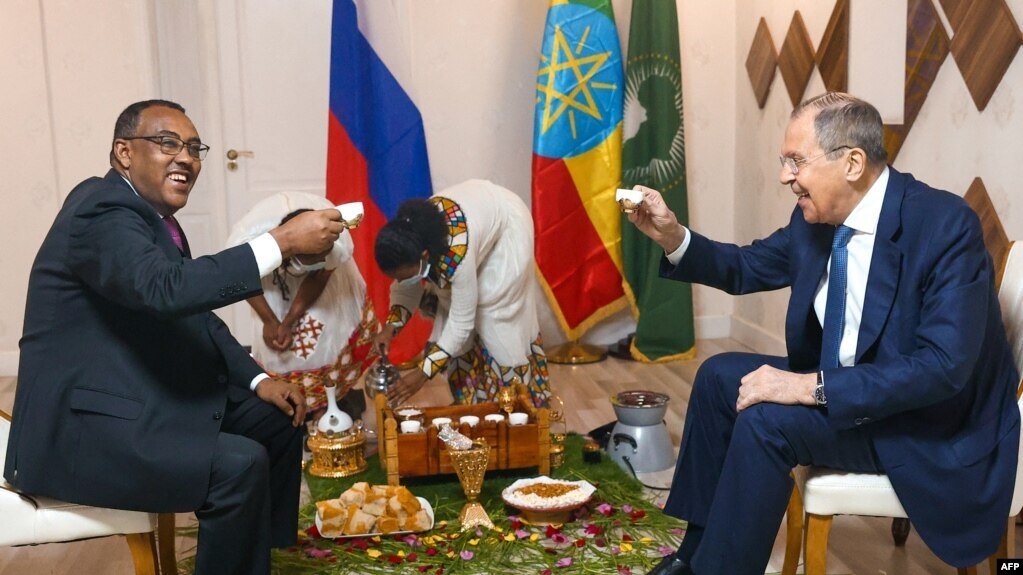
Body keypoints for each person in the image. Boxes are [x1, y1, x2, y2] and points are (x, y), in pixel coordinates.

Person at [631, 93, 1020, 575]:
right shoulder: (814, 221)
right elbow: (745, 266)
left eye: (796, 161)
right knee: (716, 378)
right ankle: (693, 559)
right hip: (854, 392)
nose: (784, 176)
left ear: (852, 163)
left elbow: (942, 369)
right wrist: (672, 235)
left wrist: (807, 387)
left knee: (767, 420)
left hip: (924, 421)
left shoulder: (945, 226)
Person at [4, 100, 345, 575]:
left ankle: (259, 558)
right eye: (167, 143)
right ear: (124, 152)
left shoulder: (152, 219)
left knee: (277, 420)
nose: (185, 157)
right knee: (240, 464)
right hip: (83, 432)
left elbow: (192, 313)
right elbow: (165, 290)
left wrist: (259, 381)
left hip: (132, 397)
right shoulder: (99, 209)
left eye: (193, 148)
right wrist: (282, 242)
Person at [373, 179, 551, 408]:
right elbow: (407, 285)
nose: (400, 283)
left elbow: (461, 322)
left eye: (403, 277)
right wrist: (390, 328)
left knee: (494, 316)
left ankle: (516, 406)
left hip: (507, 227)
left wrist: (423, 373)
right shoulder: (412, 239)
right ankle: (469, 406)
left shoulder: (456, 255)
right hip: (478, 223)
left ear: (425, 255)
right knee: (451, 308)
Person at [227, 192, 378, 420]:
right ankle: (293, 406)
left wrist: (289, 321)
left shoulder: (336, 240)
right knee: (278, 348)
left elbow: (319, 277)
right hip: (267, 271)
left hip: (318, 277)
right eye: (310, 262)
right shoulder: (246, 243)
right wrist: (270, 321)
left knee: (326, 334)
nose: (319, 262)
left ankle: (332, 401)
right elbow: (240, 279)